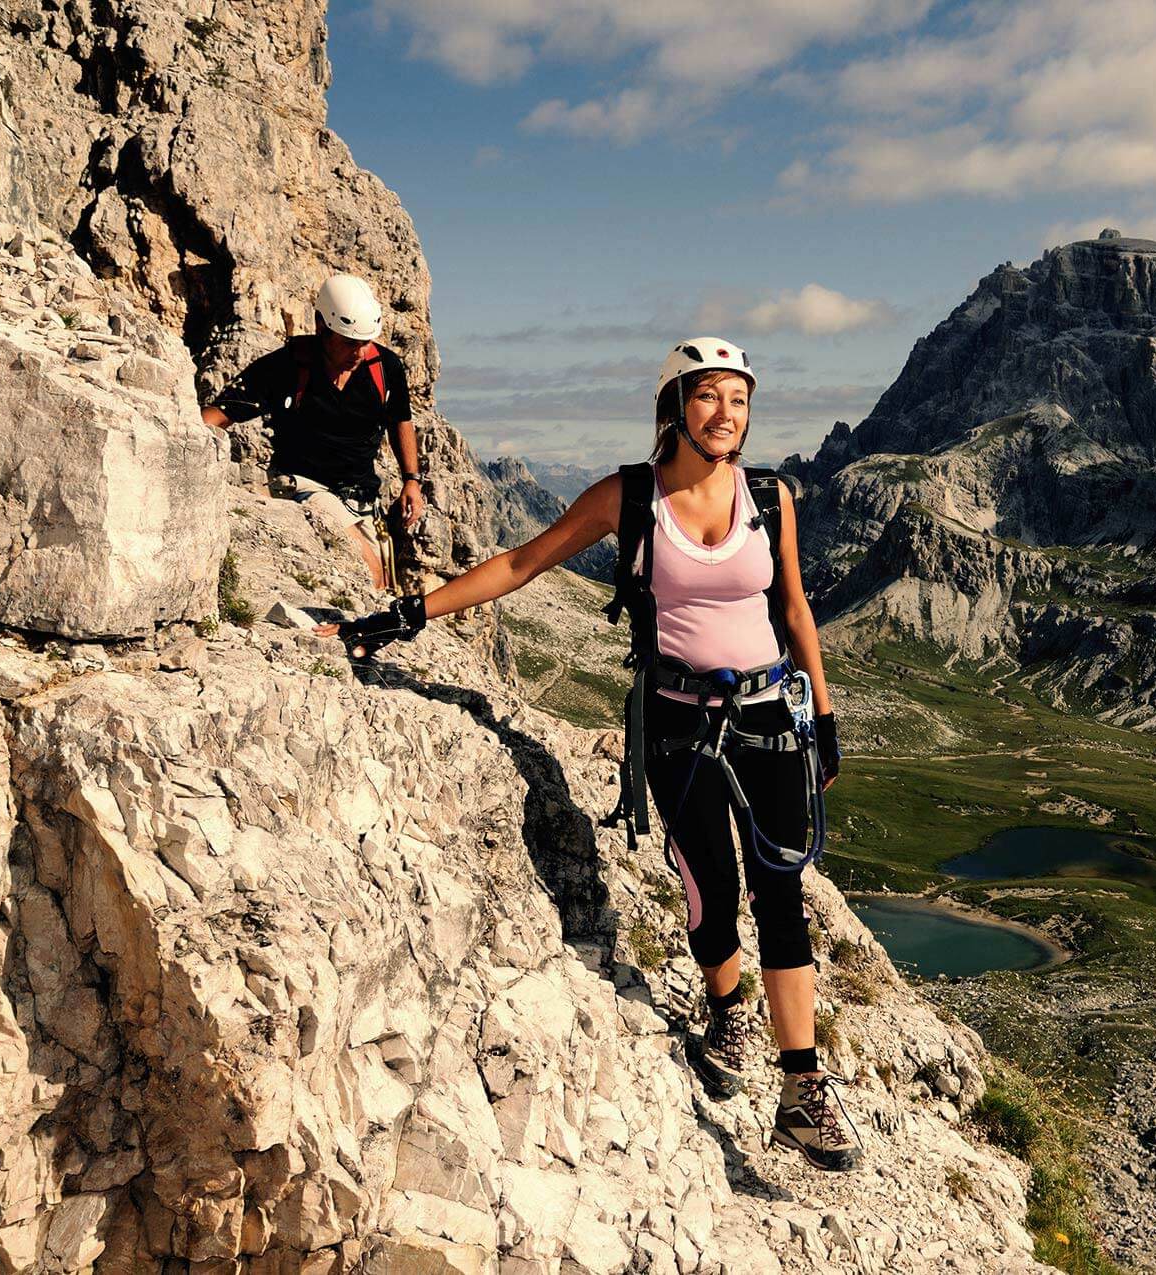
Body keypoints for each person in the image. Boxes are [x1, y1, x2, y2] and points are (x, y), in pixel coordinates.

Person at [321, 338, 859, 1171]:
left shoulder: (770, 497)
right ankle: (727, 1008)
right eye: (710, 396)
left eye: (740, 400)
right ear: (675, 404)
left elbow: (793, 605)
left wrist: (822, 715)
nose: (727, 414)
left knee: (781, 894)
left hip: (767, 719)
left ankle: (801, 1088)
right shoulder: (629, 497)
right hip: (679, 724)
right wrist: (408, 614)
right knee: (713, 892)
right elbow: (522, 561)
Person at [203, 273, 425, 589]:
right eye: (350, 343)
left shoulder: (384, 367)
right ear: (322, 326)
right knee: (369, 571)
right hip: (301, 484)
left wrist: (411, 481)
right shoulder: (286, 368)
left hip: (360, 496)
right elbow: (223, 413)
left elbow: (400, 420)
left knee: (382, 585)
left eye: (365, 343)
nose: (359, 354)